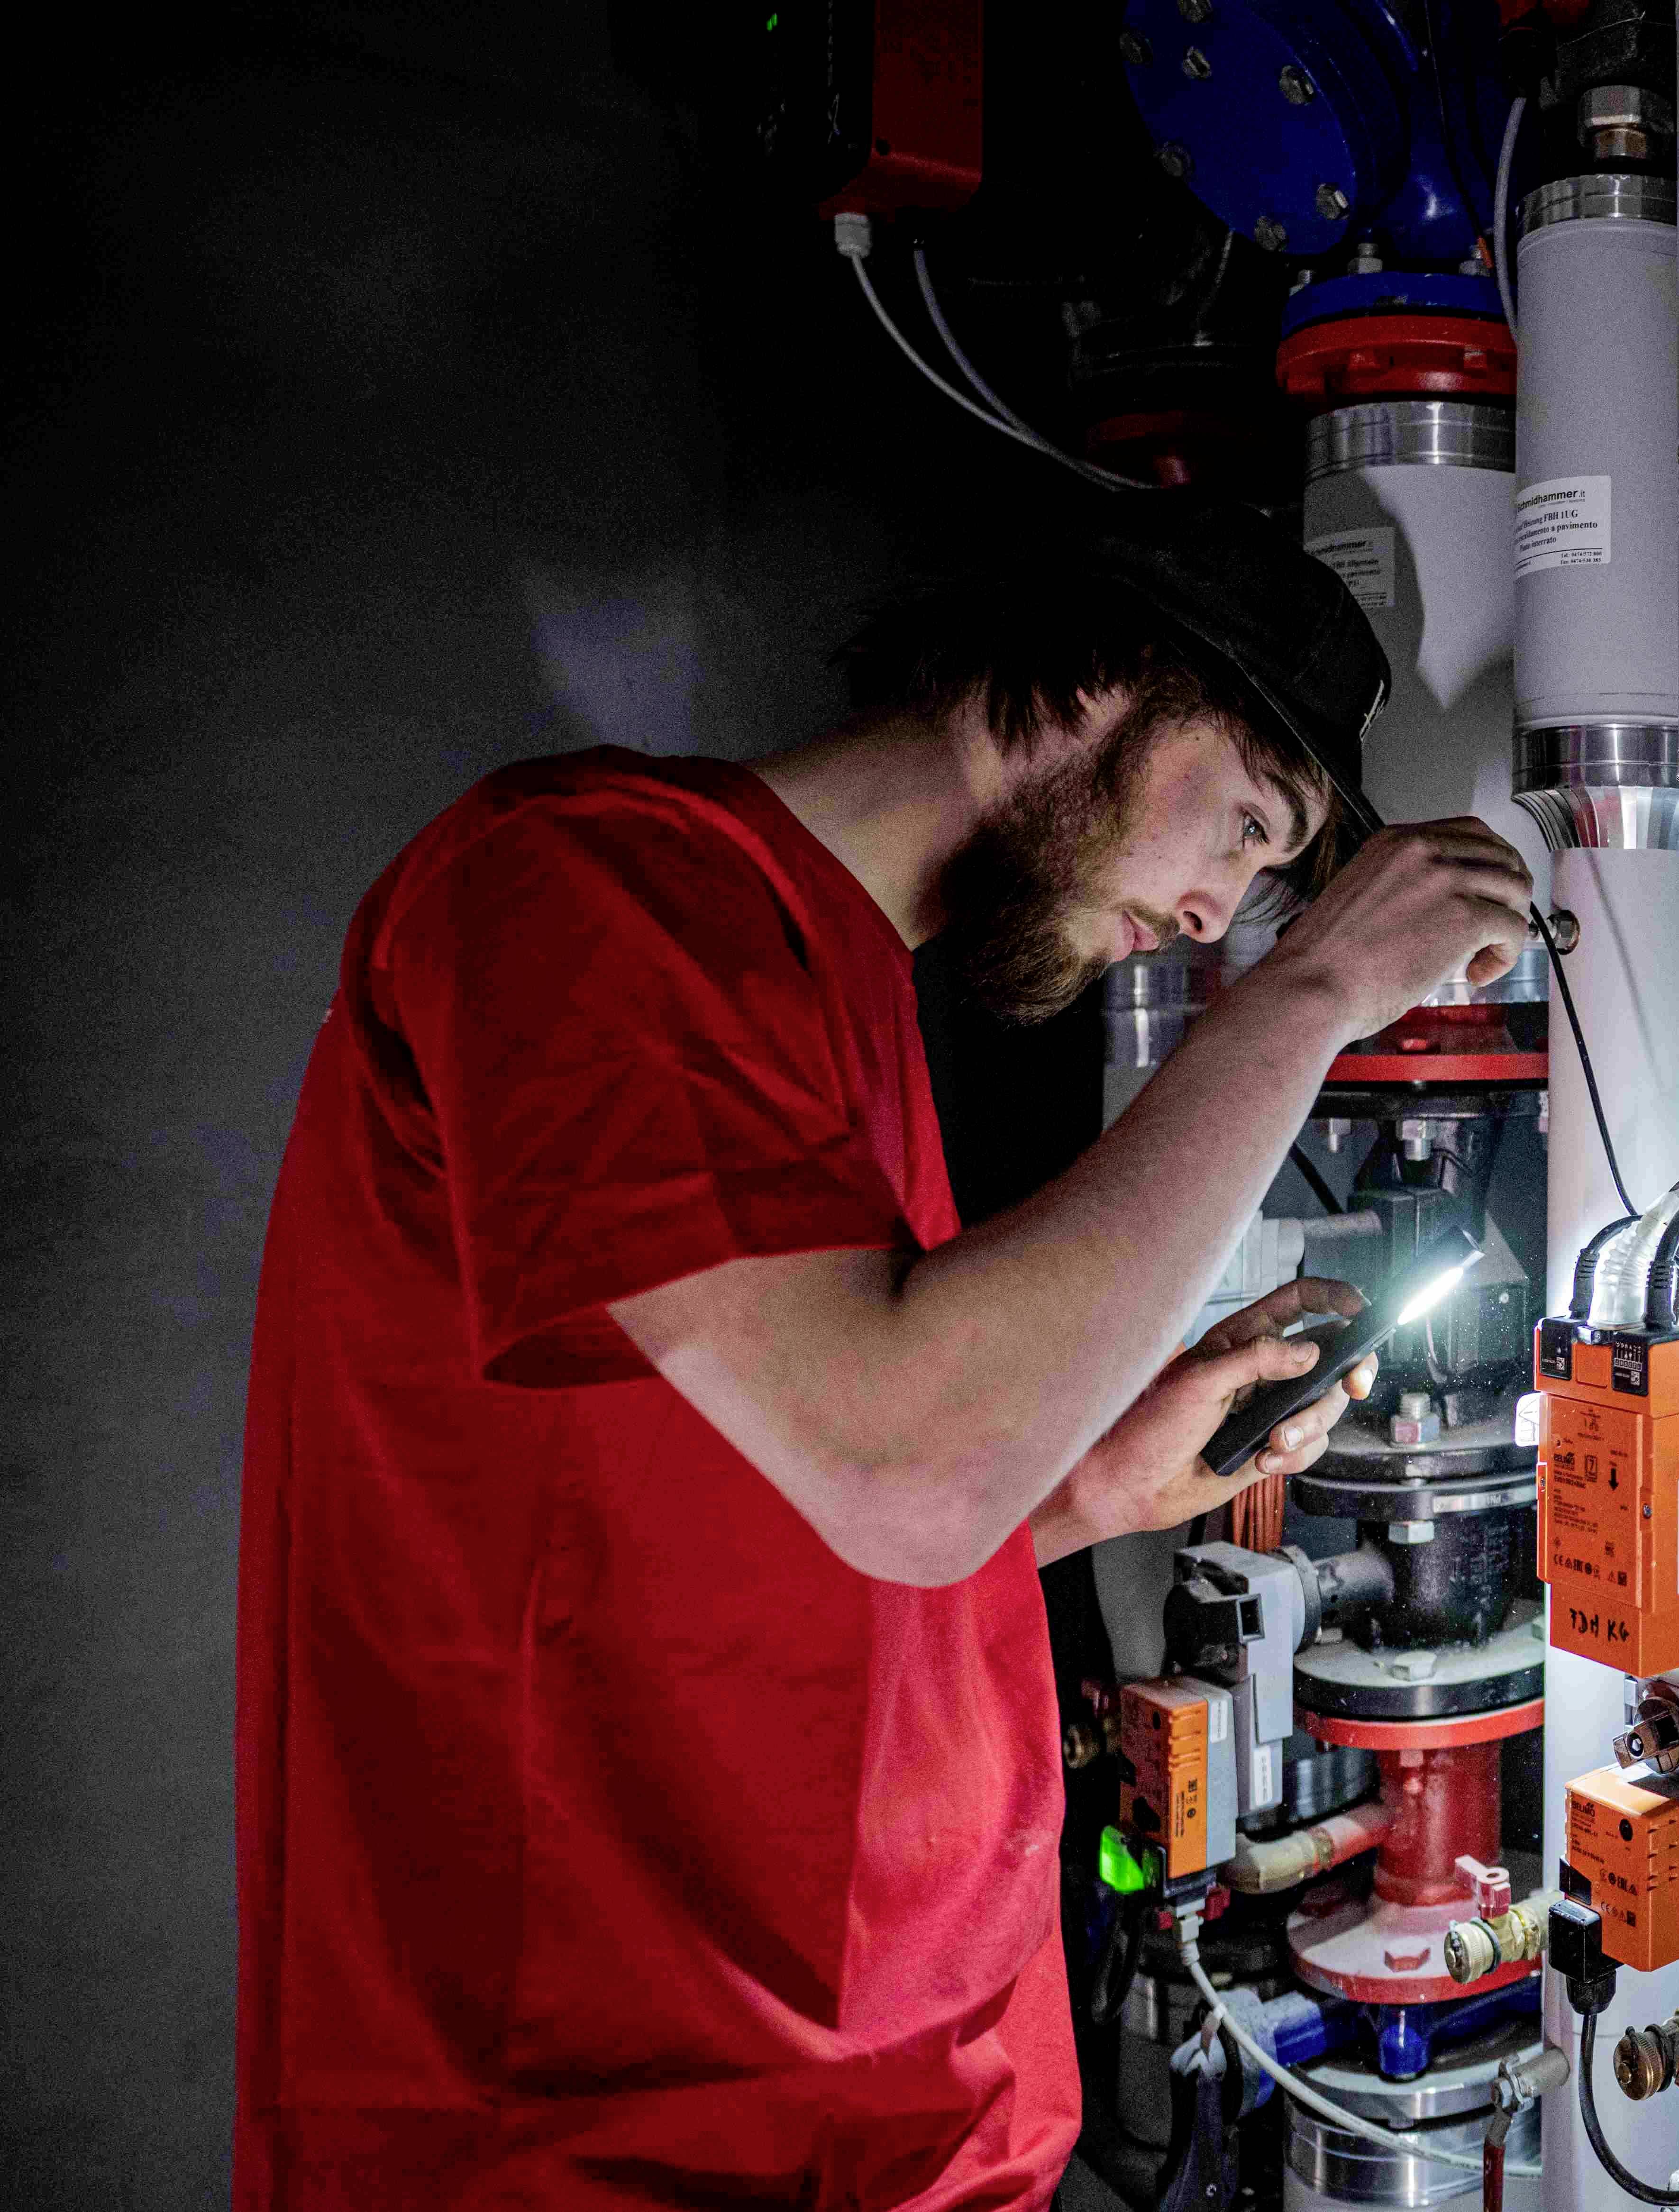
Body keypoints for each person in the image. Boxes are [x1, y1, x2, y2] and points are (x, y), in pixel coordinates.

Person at [232, 505, 1533, 2208]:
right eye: (1246, 821)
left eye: (1272, 880)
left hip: (882, 2131)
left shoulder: (845, 1008)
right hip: (586, 2145)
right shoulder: (589, 895)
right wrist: (1310, 994)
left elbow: (761, 1538)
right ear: (1101, 683)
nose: (1222, 904)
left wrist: (1080, 1485)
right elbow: (902, 1471)